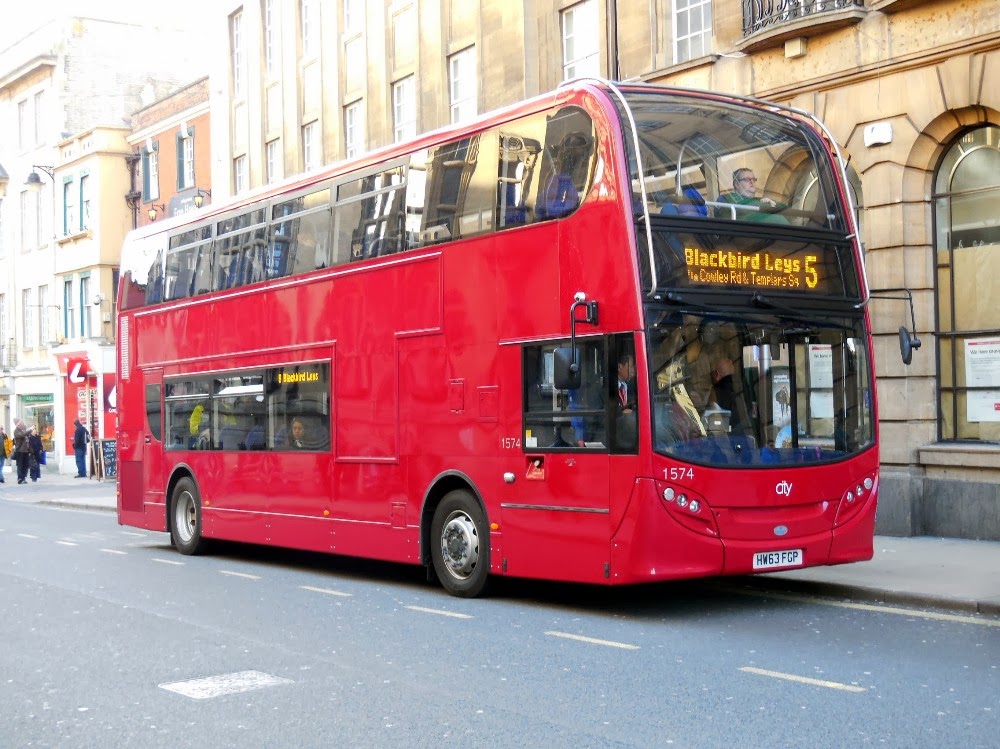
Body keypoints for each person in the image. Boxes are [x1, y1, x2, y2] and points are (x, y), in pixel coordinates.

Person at [715, 168, 788, 223]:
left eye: (753, 179)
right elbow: (725, 223)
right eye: (747, 179)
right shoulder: (726, 199)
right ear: (737, 184)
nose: (752, 182)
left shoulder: (760, 200)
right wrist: (764, 206)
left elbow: (787, 209)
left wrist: (772, 203)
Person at [13, 418, 31, 484]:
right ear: (17, 425)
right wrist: (30, 430)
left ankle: (24, 478)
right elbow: (22, 435)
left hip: (26, 451)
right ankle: (20, 478)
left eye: (22, 423)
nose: (22, 424)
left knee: (25, 465)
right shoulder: (16, 431)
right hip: (20, 451)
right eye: (21, 423)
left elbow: (27, 439)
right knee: (20, 465)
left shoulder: (23, 430)